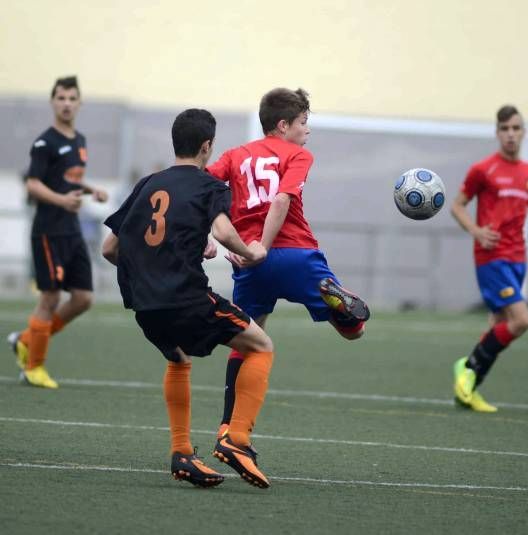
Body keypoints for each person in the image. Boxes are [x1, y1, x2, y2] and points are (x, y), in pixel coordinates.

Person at [102, 108, 273, 488]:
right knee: (261, 346)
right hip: (186, 300)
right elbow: (225, 232)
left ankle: (182, 453)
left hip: (146, 306)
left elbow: (110, 248)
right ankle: (237, 440)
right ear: (207, 146)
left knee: (177, 359)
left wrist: (161, 266)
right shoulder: (210, 186)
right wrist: (250, 252)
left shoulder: (148, 183)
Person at [206, 87, 370, 438]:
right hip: (294, 254)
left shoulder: (235, 155)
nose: (307, 130)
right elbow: (281, 200)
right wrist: (264, 246)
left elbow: (201, 187)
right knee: (356, 331)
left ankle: (226, 426)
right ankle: (338, 303)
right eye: (303, 122)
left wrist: (224, 239)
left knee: (247, 341)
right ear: (283, 125)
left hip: (249, 263)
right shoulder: (297, 155)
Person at [450, 105, 528, 412]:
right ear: (497, 133)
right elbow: (457, 206)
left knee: (498, 324)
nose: (511, 134)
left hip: (518, 258)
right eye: (505, 129)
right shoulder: (483, 170)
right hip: (491, 256)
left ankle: (468, 389)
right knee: (521, 320)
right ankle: (468, 367)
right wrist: (476, 231)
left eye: (516, 128)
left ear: (523, 132)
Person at [7, 76, 108, 389]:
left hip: (72, 230)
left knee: (83, 298)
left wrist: (91, 189)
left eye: (71, 98)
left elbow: (68, 179)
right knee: (50, 296)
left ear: (79, 103)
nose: (66, 103)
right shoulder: (44, 142)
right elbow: (33, 183)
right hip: (49, 230)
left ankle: (26, 340)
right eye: (61, 98)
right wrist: (63, 200)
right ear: (53, 102)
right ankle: (32, 366)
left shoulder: (80, 140)